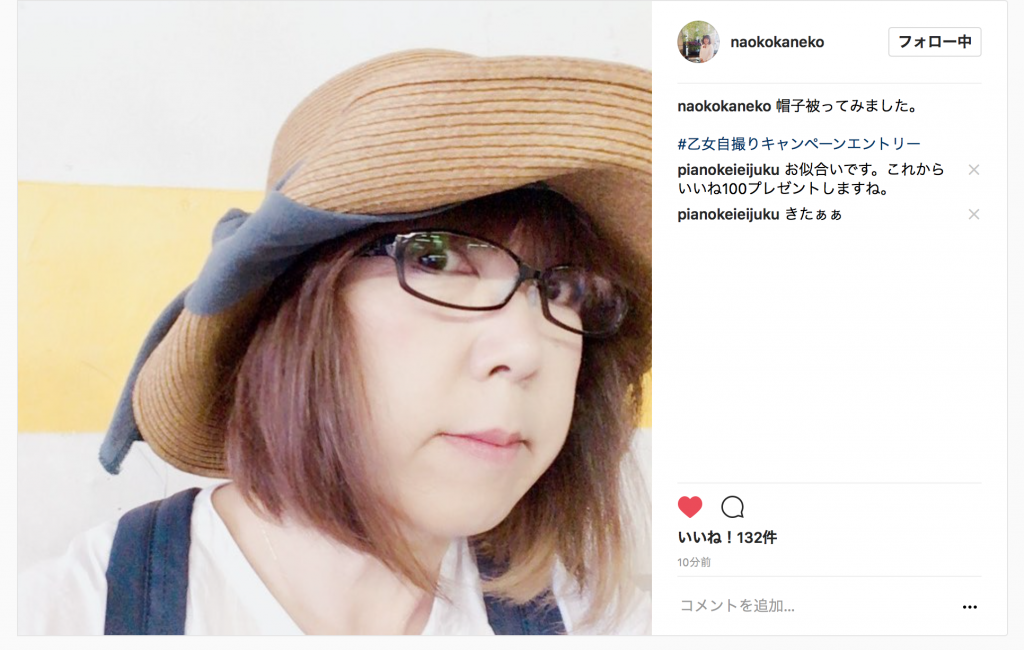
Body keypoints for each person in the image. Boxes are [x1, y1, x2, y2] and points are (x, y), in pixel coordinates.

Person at [18, 49, 652, 635]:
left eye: (567, 291)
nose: (525, 350)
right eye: (435, 260)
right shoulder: (59, 620)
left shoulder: (607, 624)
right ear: (297, 308)